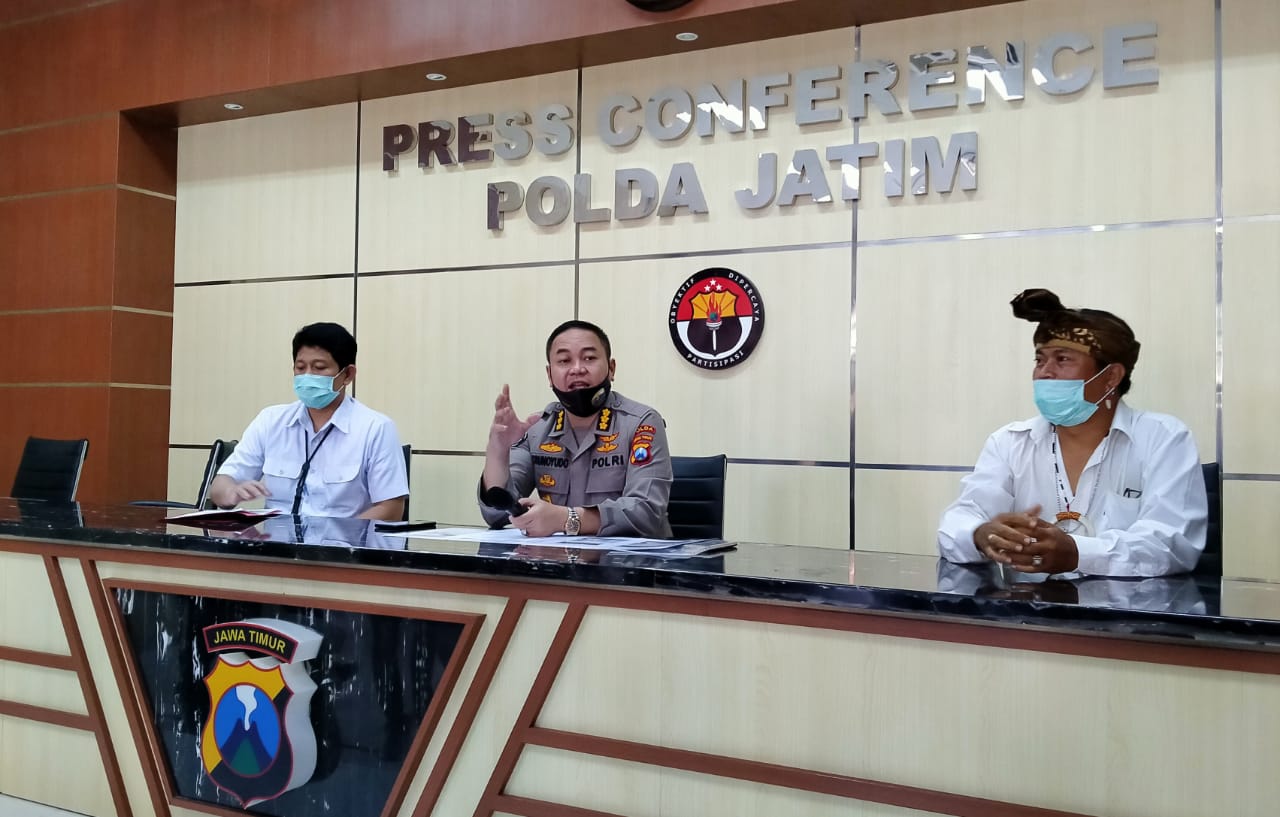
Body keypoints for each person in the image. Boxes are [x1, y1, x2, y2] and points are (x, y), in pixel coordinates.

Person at [937, 288, 1207, 577]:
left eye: (1062, 359)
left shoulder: (1163, 438)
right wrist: (980, 534)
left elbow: (1170, 545)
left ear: (1110, 377)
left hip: (1126, 616)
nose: (1044, 372)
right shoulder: (1009, 442)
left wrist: (1077, 553)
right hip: (1025, 613)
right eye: (1040, 360)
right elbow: (957, 522)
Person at [480, 319, 673, 538]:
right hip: (557, 563)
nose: (577, 369)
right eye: (564, 360)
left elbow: (646, 513)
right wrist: (498, 450)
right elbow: (495, 514)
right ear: (549, 375)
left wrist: (566, 519)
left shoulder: (641, 422)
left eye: (589, 358)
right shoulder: (537, 428)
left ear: (611, 368)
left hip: (629, 565)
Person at [208, 322, 408, 520]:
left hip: (341, 548)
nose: (307, 376)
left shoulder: (375, 428)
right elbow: (220, 485)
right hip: (275, 548)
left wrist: (340, 541)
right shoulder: (270, 421)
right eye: (300, 367)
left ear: (347, 374)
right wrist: (231, 492)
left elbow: (390, 508)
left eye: (319, 368)